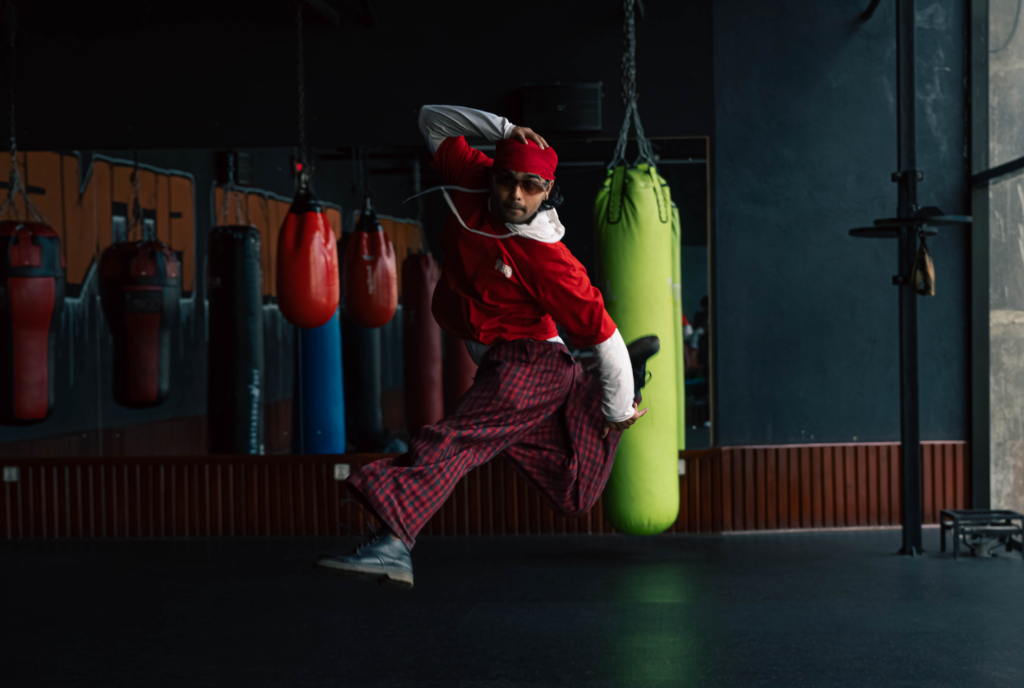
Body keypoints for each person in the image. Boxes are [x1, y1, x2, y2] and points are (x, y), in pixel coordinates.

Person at [314, 105, 660, 589]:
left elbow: (603, 333)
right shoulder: (473, 179)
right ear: (494, 173)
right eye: (507, 180)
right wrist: (501, 127)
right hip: (508, 364)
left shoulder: (548, 258)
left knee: (454, 439)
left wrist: (619, 407)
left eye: (531, 187)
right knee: (572, 493)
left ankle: (392, 543)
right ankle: (595, 389)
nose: (515, 195)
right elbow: (431, 120)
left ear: (548, 191)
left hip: (531, 361)